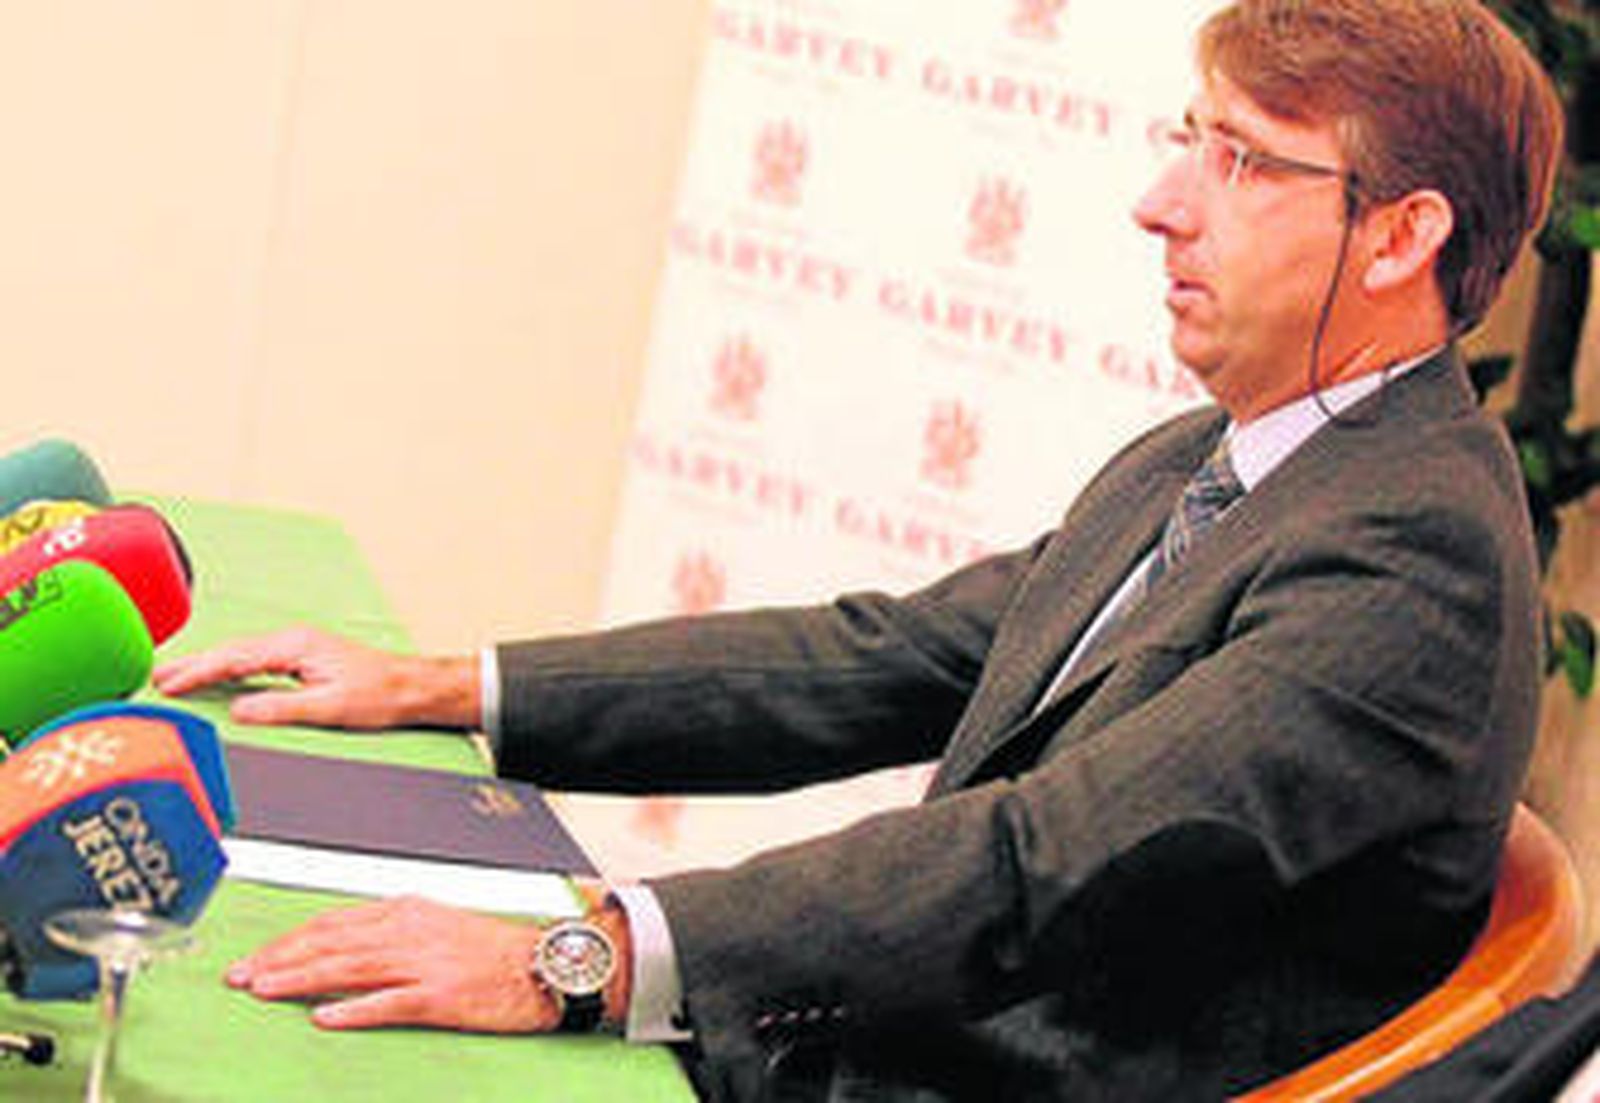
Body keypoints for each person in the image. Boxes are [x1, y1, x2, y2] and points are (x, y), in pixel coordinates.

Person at [153, 1, 1566, 1099]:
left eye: (1242, 158)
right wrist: (455, 685)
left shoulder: (1417, 556)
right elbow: (894, 655)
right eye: (1185, 134)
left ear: (1400, 236)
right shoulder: (1232, 453)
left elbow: (1045, 861)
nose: (1161, 199)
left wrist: (577, 958)